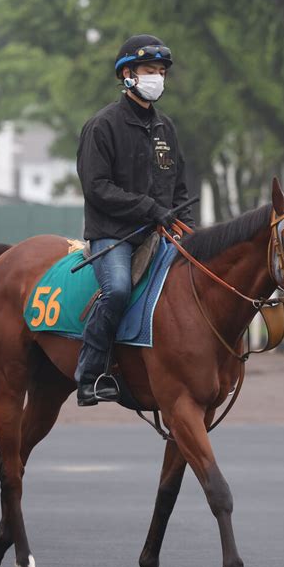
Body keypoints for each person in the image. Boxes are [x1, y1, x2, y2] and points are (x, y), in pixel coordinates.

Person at [75, 34, 195, 406]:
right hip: (113, 236)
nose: (157, 78)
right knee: (120, 291)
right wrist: (149, 209)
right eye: (149, 70)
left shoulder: (166, 129)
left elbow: (178, 188)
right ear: (127, 75)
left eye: (161, 72)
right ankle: (90, 374)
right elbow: (96, 188)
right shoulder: (102, 126)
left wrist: (190, 233)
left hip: (161, 235)